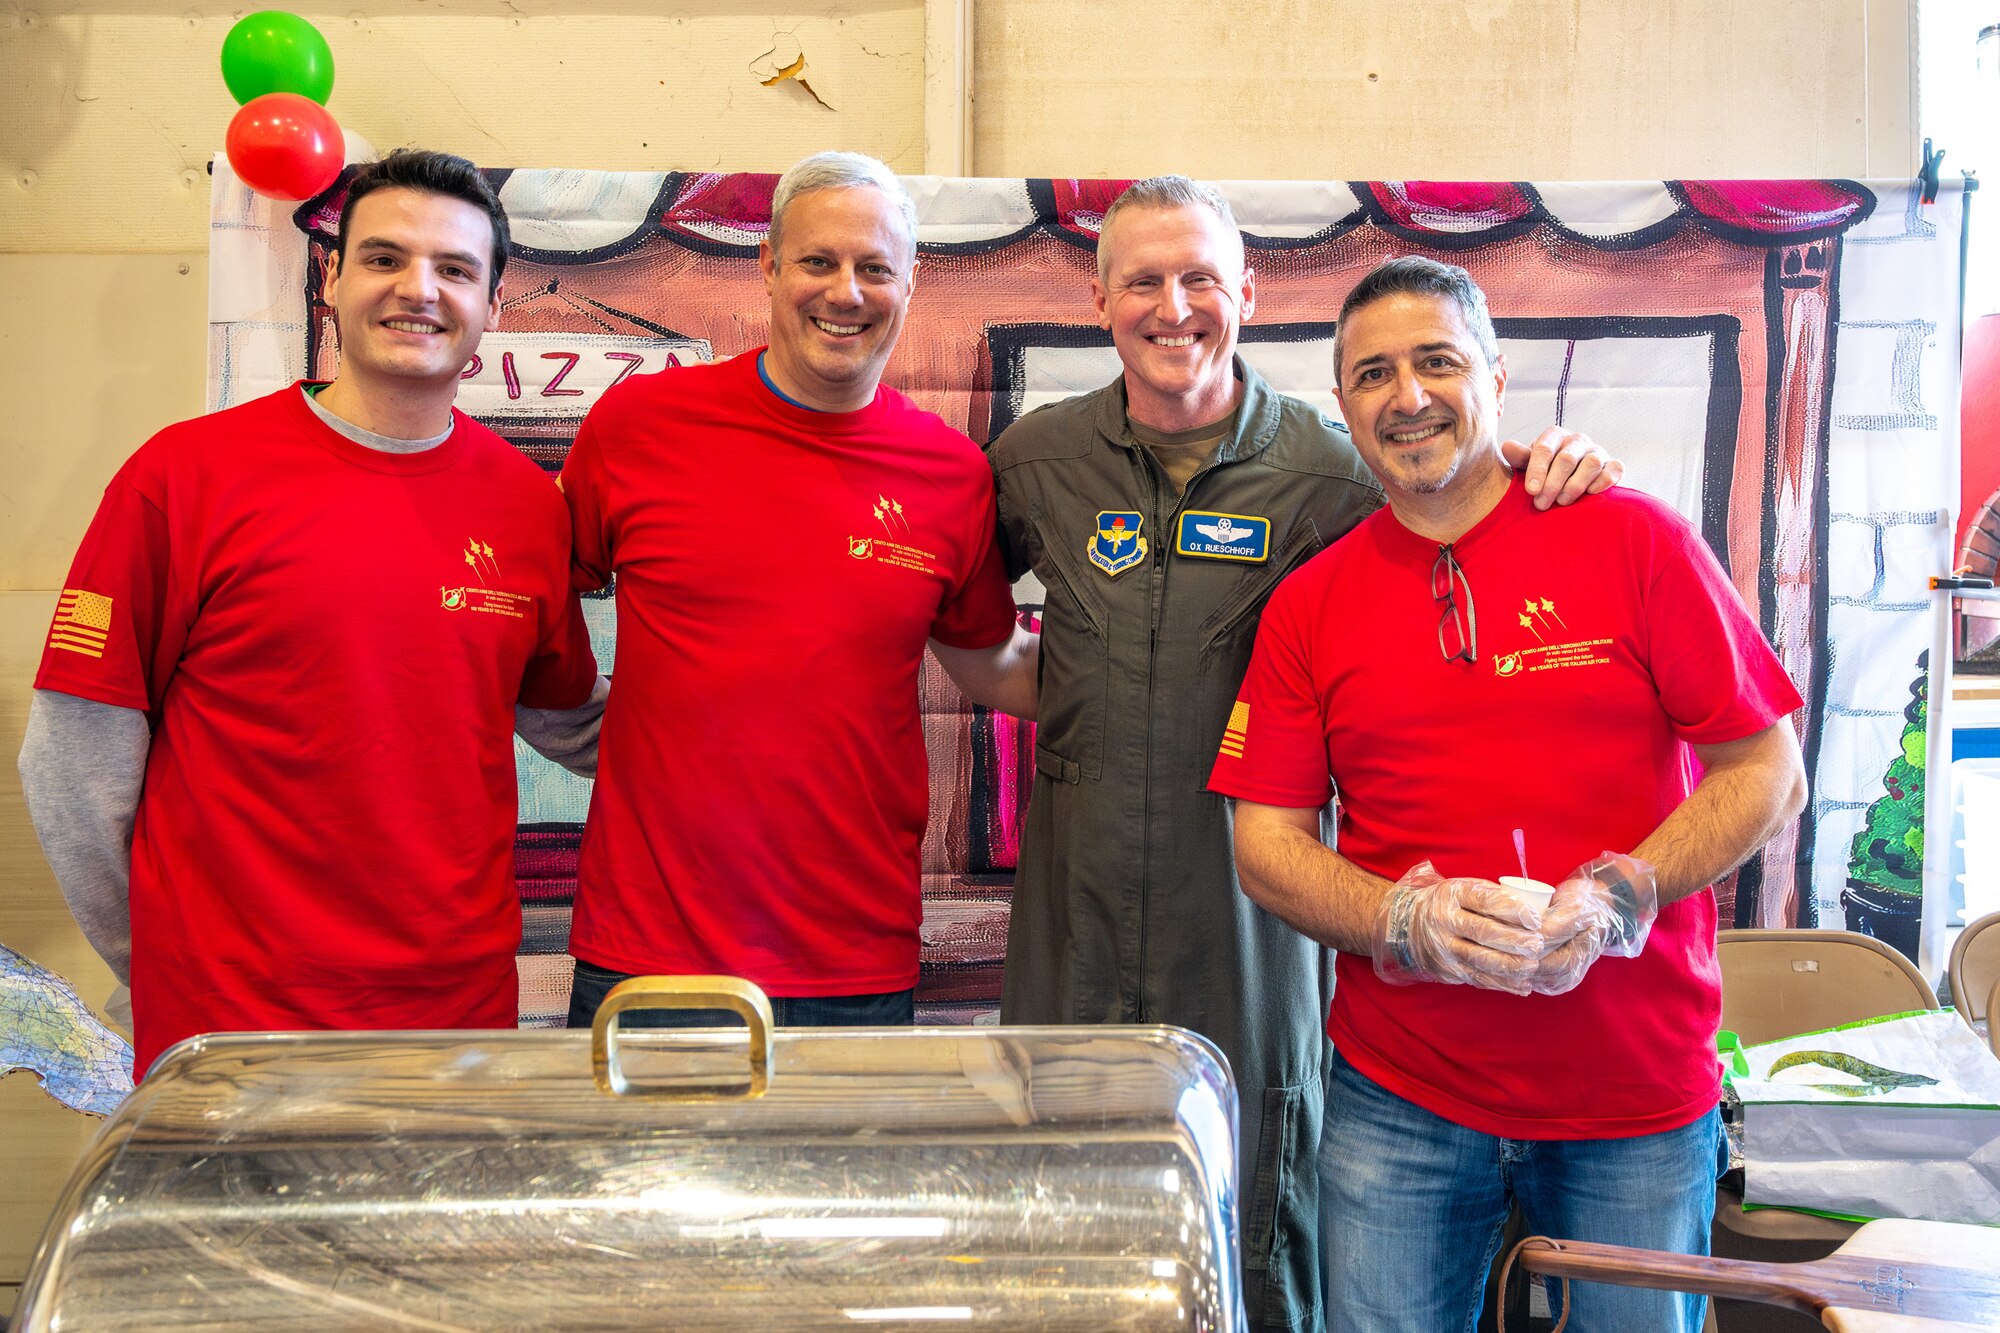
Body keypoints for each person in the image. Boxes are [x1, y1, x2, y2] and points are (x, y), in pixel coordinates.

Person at [986, 178, 1620, 1331]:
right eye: (1142, 280)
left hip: (1253, 904)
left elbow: (1455, 479)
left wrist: (1544, 460)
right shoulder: (1035, 462)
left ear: (1245, 292)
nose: (1171, 307)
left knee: (1256, 1182)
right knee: (1059, 1180)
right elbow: (976, 636)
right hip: (1072, 898)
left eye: (1198, 280)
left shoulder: (1330, 470)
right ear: (1097, 296)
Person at [1211, 255, 1808, 1333]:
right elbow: (1266, 845)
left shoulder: (1633, 539)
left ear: (1495, 374)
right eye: (1372, 374)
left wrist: (1623, 893)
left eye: (1436, 360)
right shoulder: (1310, 604)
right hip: (1399, 1098)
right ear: (1340, 405)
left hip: (1631, 1095)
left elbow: (1765, 770)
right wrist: (1404, 916)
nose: (1407, 397)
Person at [18, 148, 604, 1079]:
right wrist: (154, 961)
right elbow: (73, 760)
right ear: (331, 280)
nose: (419, 289)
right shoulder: (184, 478)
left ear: (494, 306)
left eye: (455, 269)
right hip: (230, 1018)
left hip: (453, 1016)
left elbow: (571, 719)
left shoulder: (528, 507)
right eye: (383, 258)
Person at [559, 151, 1038, 1030]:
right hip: (652, 959)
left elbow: (994, 660)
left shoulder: (950, 473)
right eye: (818, 262)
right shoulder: (638, 428)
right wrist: (581, 724)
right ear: (770, 267)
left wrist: (1163, 672)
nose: (845, 292)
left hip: (852, 959)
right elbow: (536, 599)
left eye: (874, 267)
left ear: (911, 282)